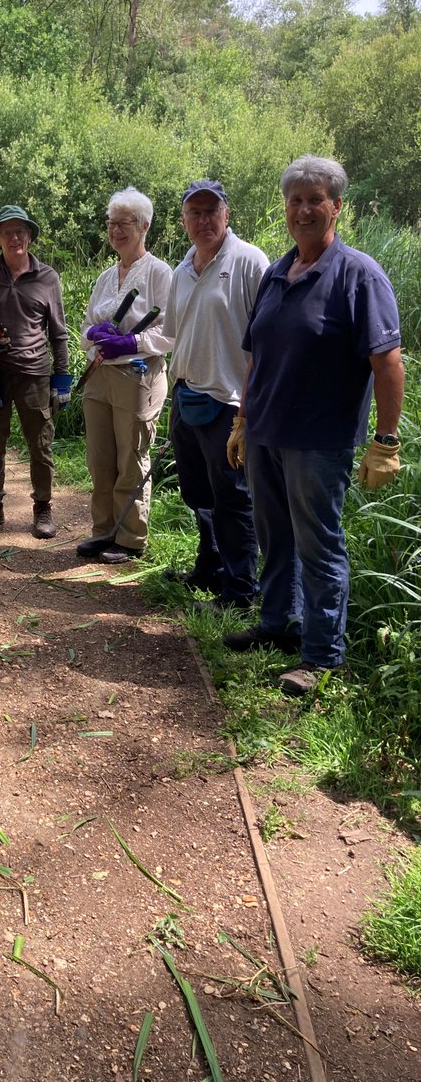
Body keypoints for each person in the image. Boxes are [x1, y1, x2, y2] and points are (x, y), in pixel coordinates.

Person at [224, 156, 403, 697]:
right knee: (274, 536)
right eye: (295, 199)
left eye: (315, 199)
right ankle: (278, 624)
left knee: (318, 545)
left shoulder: (358, 275)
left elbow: (387, 360)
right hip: (265, 434)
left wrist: (385, 442)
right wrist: (242, 418)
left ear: (336, 207)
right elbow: (256, 353)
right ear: (286, 207)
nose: (303, 209)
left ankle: (323, 656)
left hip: (318, 442)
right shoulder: (278, 273)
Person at [162, 179, 269, 609]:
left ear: (227, 215)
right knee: (199, 494)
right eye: (195, 212)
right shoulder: (181, 270)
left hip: (229, 403)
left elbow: (266, 341)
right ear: (184, 220)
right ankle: (209, 569)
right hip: (186, 395)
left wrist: (248, 407)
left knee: (233, 499)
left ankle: (241, 590)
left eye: (211, 211)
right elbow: (174, 333)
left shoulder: (249, 263)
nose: (203, 220)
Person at [76, 188, 172, 564]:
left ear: (144, 226)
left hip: (138, 378)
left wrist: (131, 342)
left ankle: (130, 538)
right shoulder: (105, 276)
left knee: (132, 457)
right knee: (100, 458)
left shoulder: (160, 273)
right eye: (112, 223)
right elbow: (86, 326)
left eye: (125, 223)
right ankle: (103, 531)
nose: (116, 230)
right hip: (98, 375)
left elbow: (170, 331)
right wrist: (94, 338)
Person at [0, 205, 69, 539]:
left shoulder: (48, 277)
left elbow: (59, 333)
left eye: (21, 231)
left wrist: (61, 380)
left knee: (40, 444)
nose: (15, 237)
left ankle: (42, 508)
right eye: (7, 232)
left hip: (36, 375)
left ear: (29, 236)